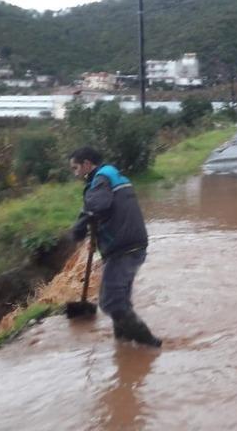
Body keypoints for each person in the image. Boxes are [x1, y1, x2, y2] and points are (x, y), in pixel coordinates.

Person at [69, 147, 161, 347]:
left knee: (110, 301)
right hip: (132, 244)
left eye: (75, 168)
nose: (75, 173)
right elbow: (106, 210)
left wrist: (78, 229)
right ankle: (123, 343)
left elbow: (96, 207)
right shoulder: (111, 174)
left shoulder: (101, 179)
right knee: (120, 299)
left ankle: (149, 344)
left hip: (123, 248)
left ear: (86, 164)